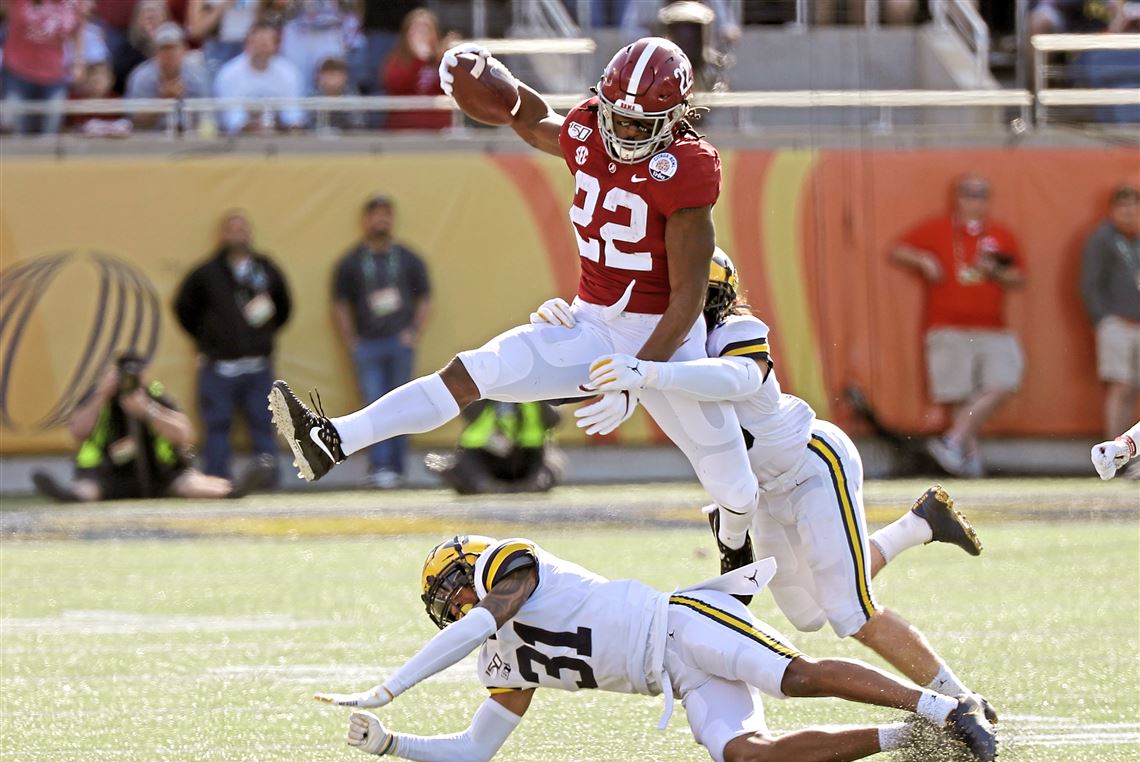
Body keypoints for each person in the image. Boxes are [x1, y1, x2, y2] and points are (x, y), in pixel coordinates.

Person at [269, 37, 761, 572]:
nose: (622, 132)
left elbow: (687, 298)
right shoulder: (590, 127)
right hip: (592, 326)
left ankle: (733, 537)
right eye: (617, 117)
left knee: (736, 490)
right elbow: (532, 120)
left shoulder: (687, 168)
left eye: (640, 126)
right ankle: (334, 439)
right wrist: (495, 80)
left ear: (674, 118)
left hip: (665, 339)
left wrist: (639, 375)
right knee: (470, 372)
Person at [531, 247, 997, 722]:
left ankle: (961, 699)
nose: (682, 304)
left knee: (849, 610)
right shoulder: (649, 345)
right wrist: (562, 329)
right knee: (808, 614)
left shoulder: (736, 329)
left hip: (810, 464)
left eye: (693, 293)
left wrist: (650, 373)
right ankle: (918, 525)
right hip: (762, 493)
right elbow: (583, 371)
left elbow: (737, 376)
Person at [313, 535, 998, 762]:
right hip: (674, 676)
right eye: (451, 599)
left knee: (797, 677)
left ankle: (946, 707)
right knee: (744, 757)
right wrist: (390, 746)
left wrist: (389, 688)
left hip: (685, 622)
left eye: (458, 589)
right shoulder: (501, 657)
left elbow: (476, 623)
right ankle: (908, 733)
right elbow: (473, 751)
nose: (461, 604)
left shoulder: (508, 568)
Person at [890, 174, 1027, 478]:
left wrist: (995, 273)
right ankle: (969, 460)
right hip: (947, 324)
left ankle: (952, 441)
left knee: (1004, 382)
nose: (973, 200)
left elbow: (1019, 276)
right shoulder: (938, 228)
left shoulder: (1000, 233)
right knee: (958, 393)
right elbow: (897, 249)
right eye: (968, 193)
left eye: (980, 194)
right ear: (957, 197)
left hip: (992, 326)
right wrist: (924, 259)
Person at [174, 210, 291, 487]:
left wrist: (262, 336)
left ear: (250, 233)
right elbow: (184, 308)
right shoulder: (206, 273)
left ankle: (267, 481)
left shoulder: (266, 268)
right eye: (232, 228)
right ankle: (216, 484)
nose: (238, 234)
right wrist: (207, 339)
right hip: (218, 368)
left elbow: (284, 306)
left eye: (243, 228)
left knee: (264, 426)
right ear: (222, 235)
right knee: (216, 428)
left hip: (258, 367)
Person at [31, 353, 236, 502]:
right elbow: (77, 431)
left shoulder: (155, 396)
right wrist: (102, 395)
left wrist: (147, 410)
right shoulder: (100, 398)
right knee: (86, 490)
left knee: (192, 485)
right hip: (107, 474)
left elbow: (185, 435)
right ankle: (67, 496)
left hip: (161, 474)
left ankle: (232, 490)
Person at [330, 195, 432, 488]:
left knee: (403, 406)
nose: (382, 220)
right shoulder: (351, 261)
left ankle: (398, 468)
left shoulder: (407, 257)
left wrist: (414, 331)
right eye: (376, 215)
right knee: (373, 406)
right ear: (365, 220)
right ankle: (380, 467)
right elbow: (340, 303)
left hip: (400, 343)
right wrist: (351, 339)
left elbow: (425, 297)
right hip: (368, 345)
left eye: (387, 214)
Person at [1081, 184, 1140, 472]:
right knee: (1122, 386)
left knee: (1134, 387)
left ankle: (1129, 454)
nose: (1129, 212)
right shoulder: (1102, 239)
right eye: (1123, 206)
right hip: (1117, 322)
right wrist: (1103, 319)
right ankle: (1113, 454)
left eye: (1134, 206)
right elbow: (1090, 285)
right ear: (1113, 210)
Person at [426, 400, 564, 495]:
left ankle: (532, 485)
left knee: (553, 462)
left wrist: (535, 393)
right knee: (455, 465)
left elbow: (554, 419)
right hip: (482, 457)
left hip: (528, 456)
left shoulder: (534, 394)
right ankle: (485, 486)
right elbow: (468, 413)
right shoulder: (483, 394)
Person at [2, 0, 85, 136]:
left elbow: (78, 29)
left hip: (55, 77)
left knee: (49, 135)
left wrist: (78, 62)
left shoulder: (74, 2)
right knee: (17, 133)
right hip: (18, 74)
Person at [213, 21, 306, 134]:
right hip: (240, 140)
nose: (262, 47)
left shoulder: (289, 72)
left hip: (280, 134)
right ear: (246, 44)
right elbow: (231, 117)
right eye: (258, 42)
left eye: (266, 43)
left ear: (276, 46)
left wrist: (289, 126)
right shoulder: (229, 74)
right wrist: (252, 127)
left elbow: (293, 112)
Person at [125, 22, 211, 130]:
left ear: (184, 49)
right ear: (155, 52)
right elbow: (136, 122)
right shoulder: (142, 77)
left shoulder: (197, 76)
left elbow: (206, 118)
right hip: (151, 138)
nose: (169, 54)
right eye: (164, 49)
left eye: (173, 48)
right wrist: (162, 101)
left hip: (189, 136)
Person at [380, 8, 453, 131]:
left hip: (439, 131)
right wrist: (419, 60)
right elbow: (397, 86)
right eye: (417, 30)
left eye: (426, 30)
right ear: (406, 35)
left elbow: (451, 89)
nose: (421, 35)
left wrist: (446, 60)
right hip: (404, 131)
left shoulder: (444, 61)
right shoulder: (396, 60)